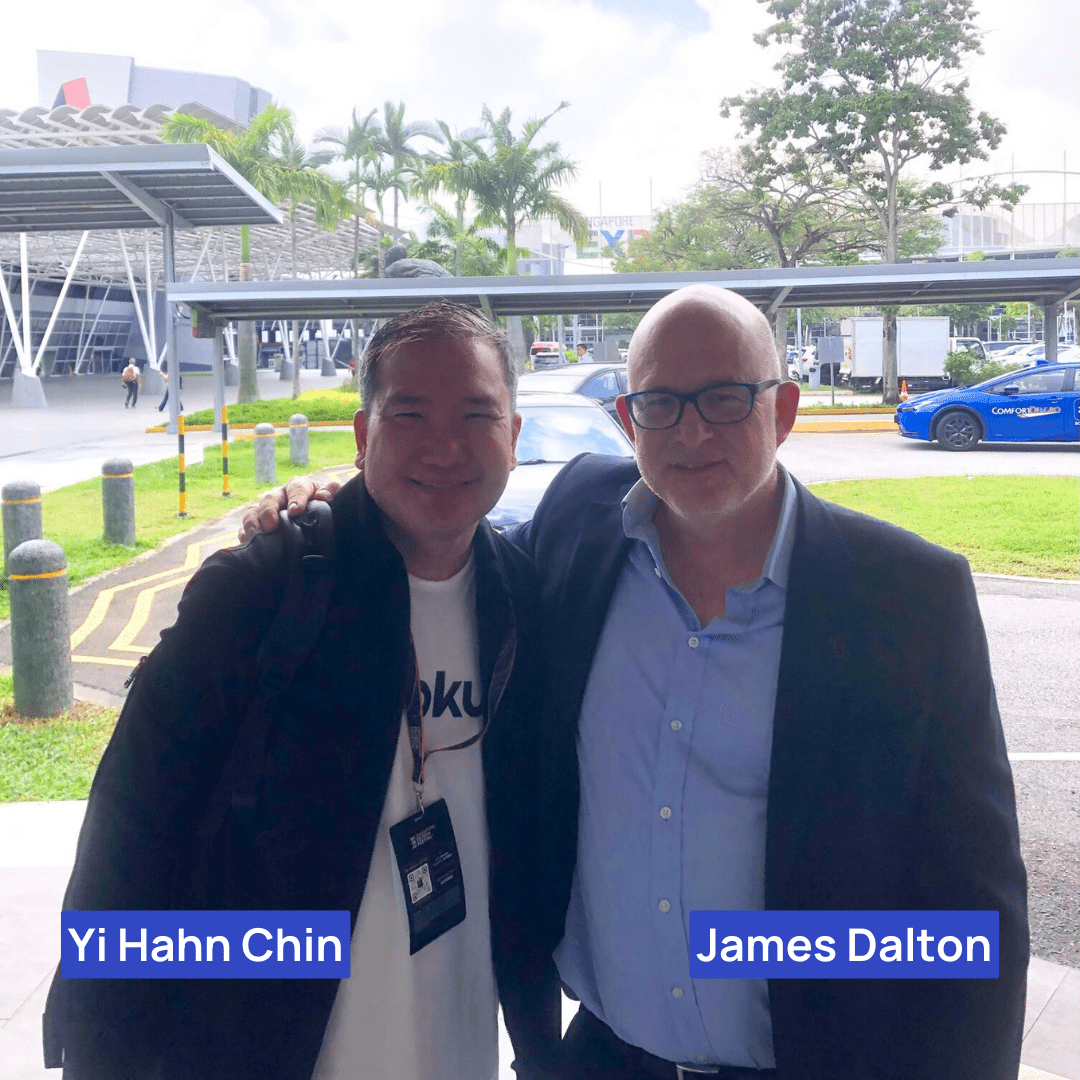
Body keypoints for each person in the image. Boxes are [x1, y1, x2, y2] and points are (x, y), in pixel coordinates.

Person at [243, 285, 1028, 1080]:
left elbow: (977, 901)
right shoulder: (580, 522)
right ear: (627, 419)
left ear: (782, 410)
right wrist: (329, 509)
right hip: (599, 1059)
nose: (692, 430)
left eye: (725, 398)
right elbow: (444, 534)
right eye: (660, 403)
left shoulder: (908, 597)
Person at [44, 303, 560, 1080]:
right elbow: (130, 828)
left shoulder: (526, 598)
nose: (447, 445)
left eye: (478, 413)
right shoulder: (264, 589)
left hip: (458, 1044)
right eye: (409, 413)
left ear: (514, 438)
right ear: (362, 437)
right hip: (262, 1044)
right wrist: (99, 1046)